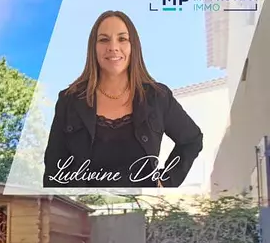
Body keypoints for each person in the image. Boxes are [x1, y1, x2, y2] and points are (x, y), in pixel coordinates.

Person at [42, 10, 203, 189]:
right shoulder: (69, 101)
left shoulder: (158, 97)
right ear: (93, 48)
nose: (113, 47)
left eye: (122, 39)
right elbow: (53, 171)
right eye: (104, 40)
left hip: (142, 205)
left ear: (133, 46)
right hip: (83, 205)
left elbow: (192, 140)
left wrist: (165, 181)